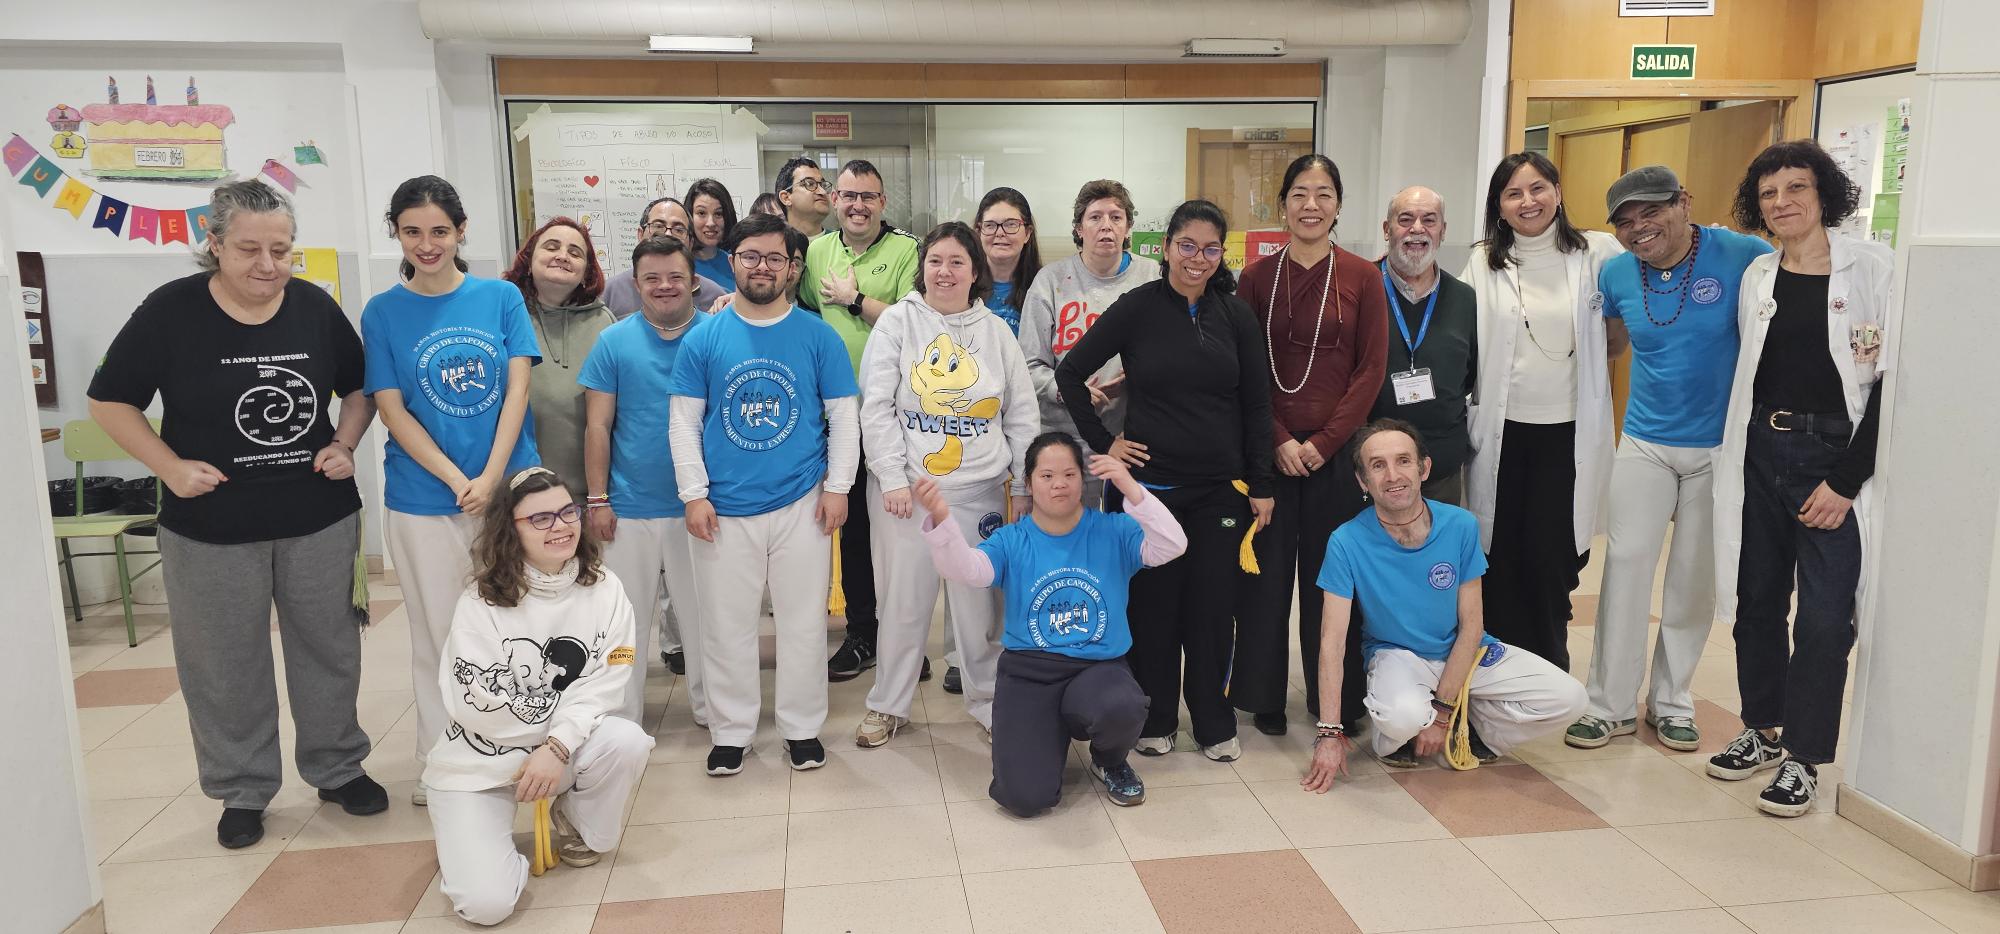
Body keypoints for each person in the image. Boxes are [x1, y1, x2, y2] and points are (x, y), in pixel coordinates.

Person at [87, 180, 386, 849]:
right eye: (250, 248)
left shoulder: (314, 307)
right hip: (210, 527)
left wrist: (344, 443)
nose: (268, 264)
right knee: (223, 663)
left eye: (282, 249)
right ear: (215, 243)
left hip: (317, 515)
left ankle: (338, 768)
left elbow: (361, 387)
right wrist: (169, 467)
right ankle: (242, 788)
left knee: (330, 649)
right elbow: (109, 401)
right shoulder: (170, 311)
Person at [1707, 140, 1890, 817]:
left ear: (1824, 194)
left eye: (1796, 188)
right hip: (1761, 452)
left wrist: (1845, 482)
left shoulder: (1873, 269)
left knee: (1823, 619)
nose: (1782, 203)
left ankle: (1805, 758)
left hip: (1833, 460)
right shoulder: (1760, 275)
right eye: (1769, 194)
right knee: (1756, 599)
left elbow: (1892, 386)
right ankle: (1762, 727)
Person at [1057, 199, 1275, 762]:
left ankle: (1212, 720)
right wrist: (1105, 444)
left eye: (1210, 249)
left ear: (1221, 254)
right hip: (1148, 493)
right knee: (1153, 611)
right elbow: (1070, 373)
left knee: (1212, 610)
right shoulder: (1138, 308)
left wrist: (1261, 483)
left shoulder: (1236, 316)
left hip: (1220, 492)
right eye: (1187, 246)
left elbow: (1257, 404)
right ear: (1167, 248)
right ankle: (1155, 717)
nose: (1197, 259)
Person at [1568, 166, 1774, 752]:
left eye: (1651, 212)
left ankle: (1672, 702)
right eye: (1626, 221)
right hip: (1645, 440)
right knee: (1626, 566)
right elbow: (1611, 343)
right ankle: (1609, 704)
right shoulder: (1616, 273)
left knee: (1692, 579)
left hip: (1719, 448)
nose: (1640, 228)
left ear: (1684, 202)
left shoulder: (1745, 256)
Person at [362, 175, 542, 806]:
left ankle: (519, 750)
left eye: (440, 231)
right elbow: (391, 408)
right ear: (396, 233)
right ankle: (442, 760)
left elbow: (517, 390)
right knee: (437, 634)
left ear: (462, 231)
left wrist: (491, 478)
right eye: (412, 232)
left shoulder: (500, 297)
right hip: (423, 500)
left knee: (516, 627)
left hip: (510, 490)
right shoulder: (382, 311)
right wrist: (455, 478)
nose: (427, 244)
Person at [668, 211, 860, 776]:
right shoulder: (703, 338)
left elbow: (843, 418)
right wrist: (693, 494)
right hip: (722, 508)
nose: (762, 267)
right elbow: (683, 422)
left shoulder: (818, 336)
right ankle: (731, 732)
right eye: (751, 256)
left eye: (775, 258)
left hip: (803, 501)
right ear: (733, 262)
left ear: (792, 267)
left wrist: (839, 487)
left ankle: (801, 729)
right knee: (725, 625)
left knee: (803, 624)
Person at [424, 466, 651, 926]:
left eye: (568, 512)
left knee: (626, 739)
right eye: (540, 519)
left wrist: (556, 747)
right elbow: (474, 701)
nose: (561, 526)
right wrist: (543, 746)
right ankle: (484, 847)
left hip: (558, 752)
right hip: (481, 763)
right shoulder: (481, 602)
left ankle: (576, 821)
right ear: (511, 529)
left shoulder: (605, 588)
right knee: (486, 905)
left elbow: (608, 681)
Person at [1301, 420, 1586, 784]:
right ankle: (1399, 735)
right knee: (1402, 717)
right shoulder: (1346, 541)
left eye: (1403, 461)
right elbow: (1332, 642)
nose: (1393, 475)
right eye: (1378, 465)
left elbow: (1472, 626)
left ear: (1424, 469)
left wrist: (1440, 715)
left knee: (1570, 698)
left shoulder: (1460, 525)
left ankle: (1479, 731)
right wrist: (1329, 733)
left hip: (1466, 652)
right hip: (1398, 656)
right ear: (1362, 481)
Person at [922, 435, 1187, 815]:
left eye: (1069, 474)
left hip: (1097, 669)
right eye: (1047, 476)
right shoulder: (1011, 539)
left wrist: (1130, 487)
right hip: (1029, 672)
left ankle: (1110, 760)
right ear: (1029, 484)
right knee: (1024, 798)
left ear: (1082, 479)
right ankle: (1048, 730)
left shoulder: (1113, 530)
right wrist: (942, 522)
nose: (1059, 484)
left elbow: (1173, 544)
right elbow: (966, 570)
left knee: (1122, 706)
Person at [853, 221, 1038, 747]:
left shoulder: (996, 332)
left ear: (975, 271)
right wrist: (891, 477)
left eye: (957, 261)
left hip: (980, 490)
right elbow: (876, 407)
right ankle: (888, 704)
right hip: (907, 494)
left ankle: (990, 702)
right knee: (902, 604)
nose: (945, 271)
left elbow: (1021, 414)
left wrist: (1022, 485)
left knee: (981, 608)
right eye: (935, 260)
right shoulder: (897, 322)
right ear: (923, 268)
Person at [1232, 154, 1388, 739]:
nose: (1311, 205)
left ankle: (1337, 698)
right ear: (1283, 206)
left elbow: (1370, 370)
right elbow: (1244, 371)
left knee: (1333, 582)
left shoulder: (1363, 277)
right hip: (1268, 453)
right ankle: (1263, 696)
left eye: (1323, 194)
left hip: (1336, 457)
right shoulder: (1256, 279)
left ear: (1338, 205)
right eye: (1299, 194)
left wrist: (1325, 442)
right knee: (1265, 582)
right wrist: (1277, 438)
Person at [1460, 153, 1623, 672]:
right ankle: (1498, 670)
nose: (1527, 201)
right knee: (1500, 555)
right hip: (1503, 434)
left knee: (1552, 558)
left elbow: (1621, 328)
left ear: (1557, 192)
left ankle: (1549, 670)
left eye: (1537, 189)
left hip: (1568, 435)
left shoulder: (1598, 252)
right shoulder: (1483, 261)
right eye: (1513, 193)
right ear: (1499, 206)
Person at [579, 235, 713, 727]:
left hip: (698, 506)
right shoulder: (613, 341)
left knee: (704, 619)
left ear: (693, 282)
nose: (664, 286)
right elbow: (597, 426)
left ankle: (713, 710)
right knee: (624, 622)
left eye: (675, 276)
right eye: (651, 278)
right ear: (635, 285)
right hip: (629, 506)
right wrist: (598, 499)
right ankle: (622, 716)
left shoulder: (715, 334)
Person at [798, 159, 923, 684]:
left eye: (868, 196)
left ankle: (905, 640)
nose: (857, 205)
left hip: (895, 410)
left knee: (899, 529)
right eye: (848, 195)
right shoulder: (816, 252)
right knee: (853, 530)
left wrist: (854, 299)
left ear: (882, 202)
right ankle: (862, 634)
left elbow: (912, 321)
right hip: (836, 411)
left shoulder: (907, 250)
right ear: (835, 200)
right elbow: (799, 313)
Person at [1019, 179, 1160, 506]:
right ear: (1079, 228)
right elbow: (1028, 364)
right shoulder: (1050, 281)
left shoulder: (1152, 276)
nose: (1106, 226)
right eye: (1095, 217)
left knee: (1122, 528)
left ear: (1128, 228)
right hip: (1062, 438)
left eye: (1116, 217)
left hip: (1128, 438)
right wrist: (1067, 390)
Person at [1370, 186, 1478, 504]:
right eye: (1405, 219)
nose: (1417, 229)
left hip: (1441, 466)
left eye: (1429, 220)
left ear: (1442, 231)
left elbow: (1470, 375)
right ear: (1387, 229)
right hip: (1375, 467)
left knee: (1439, 537)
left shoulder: (1465, 298)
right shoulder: (1361, 288)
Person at [505, 217, 614, 501]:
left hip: (588, 495)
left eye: (575, 252)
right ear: (529, 262)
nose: (563, 256)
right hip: (516, 492)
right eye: (552, 247)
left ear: (586, 272)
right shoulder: (505, 316)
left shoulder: (604, 322)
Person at [602, 197, 725, 316]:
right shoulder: (609, 293)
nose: (668, 235)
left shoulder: (714, 296)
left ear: (691, 243)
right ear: (640, 234)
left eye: (678, 229)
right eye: (658, 226)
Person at [975, 186, 1043, 336]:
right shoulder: (964, 285)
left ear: (1027, 233)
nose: (1000, 233)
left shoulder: (1045, 287)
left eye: (1011, 224)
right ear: (979, 232)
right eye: (990, 225)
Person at [683, 177, 738, 292]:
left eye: (718, 214)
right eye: (701, 213)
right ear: (689, 216)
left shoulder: (736, 264)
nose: (711, 223)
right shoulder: (678, 264)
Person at [775, 155, 831, 238]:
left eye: (823, 185)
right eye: (810, 184)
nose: (823, 191)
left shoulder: (843, 241)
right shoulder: (773, 243)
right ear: (786, 198)